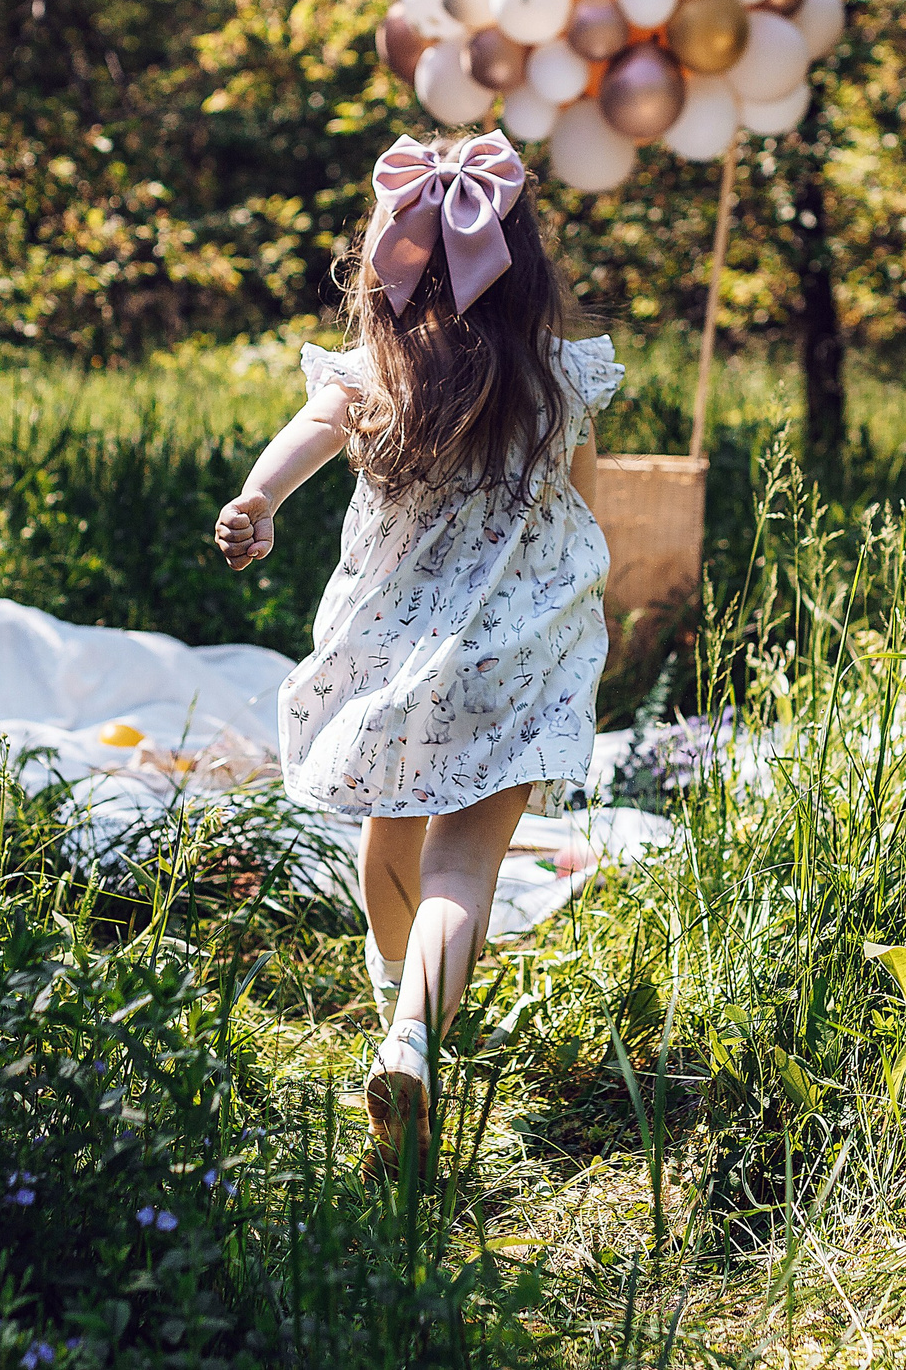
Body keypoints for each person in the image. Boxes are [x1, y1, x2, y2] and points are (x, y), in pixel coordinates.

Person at [211, 129, 622, 1158]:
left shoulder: (372, 373)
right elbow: (581, 495)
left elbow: (306, 433)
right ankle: (414, 1041)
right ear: (522, 264)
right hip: (512, 649)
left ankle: (396, 1011)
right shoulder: (559, 374)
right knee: (465, 866)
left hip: (394, 654)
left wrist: (257, 499)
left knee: (387, 834)